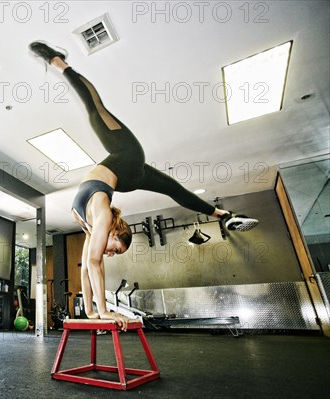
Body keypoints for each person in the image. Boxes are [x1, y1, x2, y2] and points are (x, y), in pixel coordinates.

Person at [29, 41, 259, 331]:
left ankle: (222, 215)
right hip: (127, 155)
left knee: (174, 190)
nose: (111, 253)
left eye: (115, 253)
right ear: (115, 231)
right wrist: (104, 312)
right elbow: (96, 262)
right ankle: (58, 61)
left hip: (124, 178)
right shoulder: (100, 215)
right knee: (94, 109)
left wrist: (91, 311)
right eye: (116, 248)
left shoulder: (94, 226)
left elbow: (87, 267)